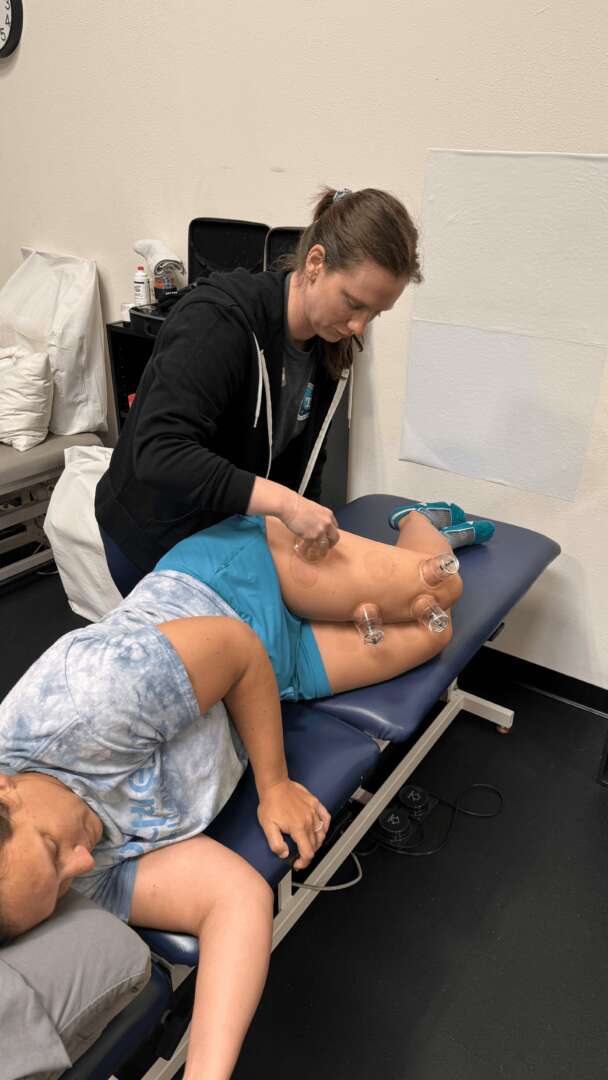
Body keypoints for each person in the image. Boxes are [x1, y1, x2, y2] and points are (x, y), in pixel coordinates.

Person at [0, 500, 493, 1078]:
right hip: (271, 675)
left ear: (5, 792)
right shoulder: (57, 879)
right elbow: (231, 898)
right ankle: (387, 571)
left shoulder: (90, 701)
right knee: (435, 632)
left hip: (238, 586)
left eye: (53, 848)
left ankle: (419, 521)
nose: (83, 862)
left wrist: (275, 785)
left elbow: (235, 647)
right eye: (63, 882)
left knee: (436, 592)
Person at [95, 187, 422, 596]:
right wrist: (286, 505)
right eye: (353, 303)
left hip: (221, 532)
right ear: (315, 263)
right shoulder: (218, 321)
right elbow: (160, 452)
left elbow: (307, 458)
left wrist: (306, 526)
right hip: (152, 534)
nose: (360, 325)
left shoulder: (329, 345)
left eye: (374, 313)